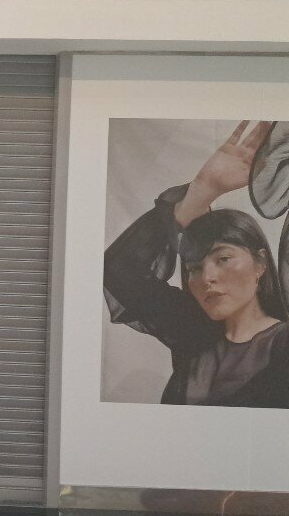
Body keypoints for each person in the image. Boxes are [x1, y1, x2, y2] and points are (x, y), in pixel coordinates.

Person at [104, 120, 289, 408]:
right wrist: (203, 189)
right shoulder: (192, 332)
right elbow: (118, 270)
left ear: (260, 264)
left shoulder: (283, 346)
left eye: (223, 259)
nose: (206, 278)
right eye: (193, 268)